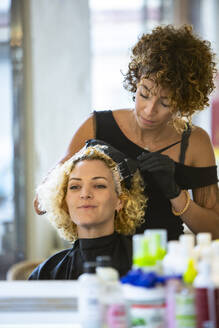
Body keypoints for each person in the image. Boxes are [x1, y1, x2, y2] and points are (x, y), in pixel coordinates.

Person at [34, 24, 219, 241]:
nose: (150, 110)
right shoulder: (97, 126)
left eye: (166, 102)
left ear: (184, 103)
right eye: (145, 93)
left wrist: (175, 193)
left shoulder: (195, 143)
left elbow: (214, 231)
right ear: (136, 80)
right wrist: (92, 169)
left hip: (161, 264)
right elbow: (40, 204)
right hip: (100, 260)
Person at [29, 141, 147, 279]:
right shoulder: (45, 275)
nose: (85, 194)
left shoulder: (145, 267)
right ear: (64, 201)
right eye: (75, 187)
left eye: (99, 185)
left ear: (119, 201)